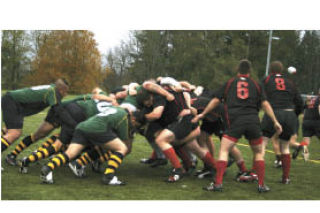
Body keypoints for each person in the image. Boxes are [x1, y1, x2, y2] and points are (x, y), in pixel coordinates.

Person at [193, 59, 282, 193]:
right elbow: (265, 104)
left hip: (235, 121)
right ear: (250, 71)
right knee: (258, 152)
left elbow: (216, 100)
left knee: (224, 150)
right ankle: (261, 185)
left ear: (237, 69)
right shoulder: (256, 84)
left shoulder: (230, 83)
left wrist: (203, 114)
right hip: (253, 121)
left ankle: (217, 184)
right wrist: (275, 121)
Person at [40, 106, 140, 185]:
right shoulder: (124, 118)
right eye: (136, 123)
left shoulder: (117, 109)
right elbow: (123, 142)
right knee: (122, 148)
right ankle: (109, 177)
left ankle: (48, 168)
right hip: (97, 129)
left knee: (70, 153)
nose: (134, 125)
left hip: (83, 126)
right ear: (133, 118)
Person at [261, 61, 303, 184]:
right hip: (289, 114)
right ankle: (285, 178)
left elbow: (260, 96)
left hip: (273, 112)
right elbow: (300, 102)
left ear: (270, 69)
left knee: (263, 143)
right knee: (285, 146)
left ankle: (256, 174)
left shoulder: (267, 80)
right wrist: (294, 115)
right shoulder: (290, 82)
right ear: (282, 70)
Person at [1, 79, 69, 154]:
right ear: (61, 90)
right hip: (13, 102)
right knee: (15, 133)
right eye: (66, 92)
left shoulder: (51, 88)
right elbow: (58, 109)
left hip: (13, 102)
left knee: (8, 129)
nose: (66, 94)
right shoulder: (53, 92)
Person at [292, 93, 320, 161]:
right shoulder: (318, 99)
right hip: (316, 122)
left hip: (306, 122)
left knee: (306, 141)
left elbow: (303, 108)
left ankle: (305, 155)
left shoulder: (311, 99)